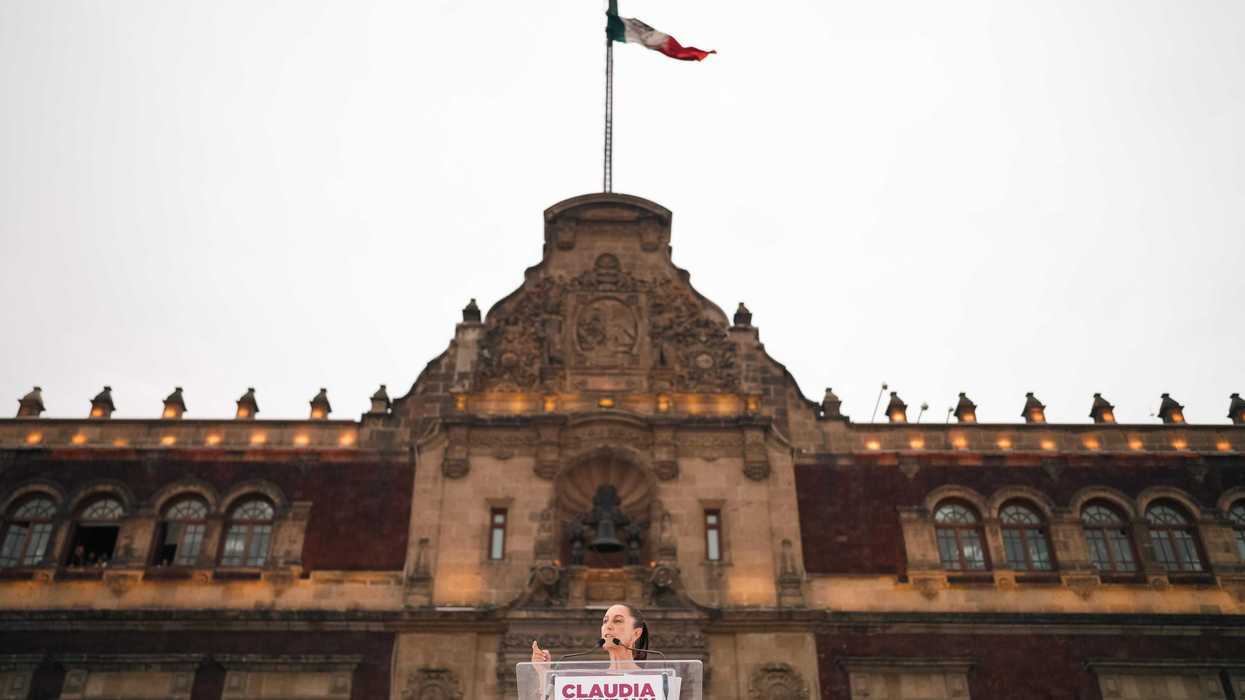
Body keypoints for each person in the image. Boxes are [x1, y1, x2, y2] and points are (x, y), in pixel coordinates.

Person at [530, 602, 650, 667]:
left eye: (617, 620)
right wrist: (544, 673)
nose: (608, 626)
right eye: (605, 621)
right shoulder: (589, 682)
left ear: (636, 633)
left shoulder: (655, 681)